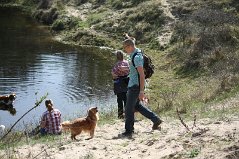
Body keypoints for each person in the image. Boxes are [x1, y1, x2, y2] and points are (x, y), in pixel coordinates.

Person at [122, 38, 162, 137]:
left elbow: (142, 75)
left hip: (135, 86)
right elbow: (136, 71)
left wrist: (141, 91)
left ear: (130, 46)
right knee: (137, 106)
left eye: (125, 48)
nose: (124, 50)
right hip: (133, 84)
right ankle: (156, 120)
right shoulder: (136, 53)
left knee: (128, 109)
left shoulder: (137, 57)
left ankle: (129, 131)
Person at [112, 50, 129, 119]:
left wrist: (116, 76)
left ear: (117, 57)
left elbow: (113, 75)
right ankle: (127, 114)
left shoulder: (117, 64)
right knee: (126, 99)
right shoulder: (127, 62)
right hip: (126, 82)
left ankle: (120, 115)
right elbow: (128, 71)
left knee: (119, 100)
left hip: (119, 83)